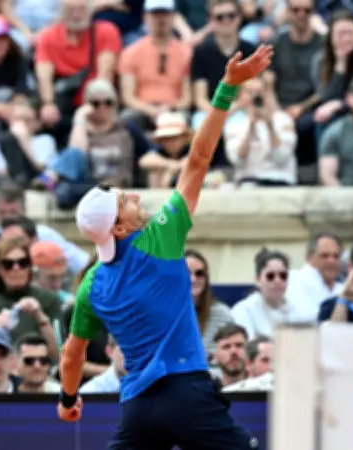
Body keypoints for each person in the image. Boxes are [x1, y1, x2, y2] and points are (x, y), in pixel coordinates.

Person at [57, 44, 273, 450]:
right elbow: (199, 160)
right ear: (119, 228)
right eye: (124, 201)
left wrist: (68, 400)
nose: (133, 196)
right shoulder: (158, 238)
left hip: (138, 408)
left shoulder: (90, 284)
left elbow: (71, 355)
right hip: (188, 395)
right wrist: (227, 87)